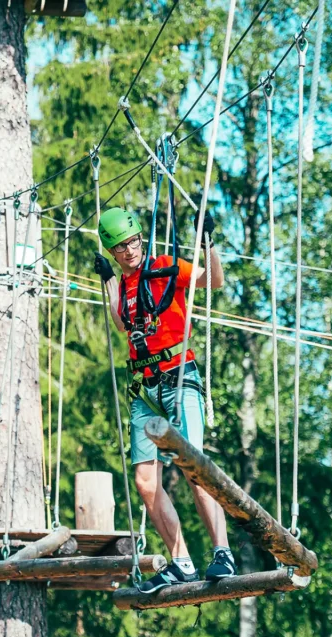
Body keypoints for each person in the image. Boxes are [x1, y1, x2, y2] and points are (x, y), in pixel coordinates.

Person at [93, 206, 235, 593]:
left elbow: (214, 281)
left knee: (194, 468)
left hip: (178, 375)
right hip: (144, 387)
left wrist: (208, 244)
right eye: (120, 247)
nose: (129, 250)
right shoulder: (122, 283)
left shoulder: (166, 266)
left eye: (133, 241)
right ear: (111, 250)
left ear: (142, 237)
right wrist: (109, 282)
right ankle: (182, 562)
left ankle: (222, 553)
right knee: (145, 482)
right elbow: (123, 323)